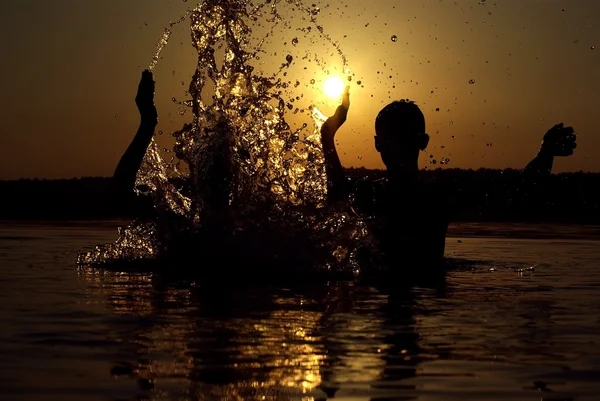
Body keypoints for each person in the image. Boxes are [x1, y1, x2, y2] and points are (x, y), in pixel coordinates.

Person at [320, 86, 577, 273]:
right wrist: (545, 153)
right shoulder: (436, 195)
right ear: (423, 142)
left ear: (378, 145)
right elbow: (522, 187)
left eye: (401, 139)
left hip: (379, 293)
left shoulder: (373, 195)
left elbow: (519, 188)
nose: (397, 148)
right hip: (430, 293)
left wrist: (327, 137)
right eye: (395, 139)